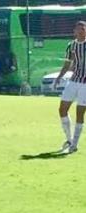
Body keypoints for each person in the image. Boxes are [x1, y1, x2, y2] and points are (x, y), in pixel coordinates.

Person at [54, 21, 86, 154]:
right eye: (79, 29)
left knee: (80, 113)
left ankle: (74, 144)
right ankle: (69, 140)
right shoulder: (71, 46)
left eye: (83, 29)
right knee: (62, 109)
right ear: (74, 31)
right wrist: (59, 77)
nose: (81, 31)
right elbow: (68, 64)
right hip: (73, 81)